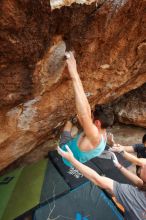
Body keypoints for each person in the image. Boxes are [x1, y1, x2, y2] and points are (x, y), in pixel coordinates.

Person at [57, 145, 146, 220]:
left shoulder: (134, 196)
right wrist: (119, 166)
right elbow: (139, 182)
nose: (143, 162)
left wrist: (72, 160)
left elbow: (97, 179)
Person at [60, 51, 113, 166]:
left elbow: (84, 115)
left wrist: (73, 73)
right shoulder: (102, 131)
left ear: (97, 122)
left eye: (93, 116)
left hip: (65, 157)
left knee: (71, 121)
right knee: (79, 117)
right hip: (75, 148)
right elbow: (86, 109)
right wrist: (76, 75)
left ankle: (71, 121)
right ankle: (72, 121)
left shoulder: (95, 135)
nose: (91, 115)